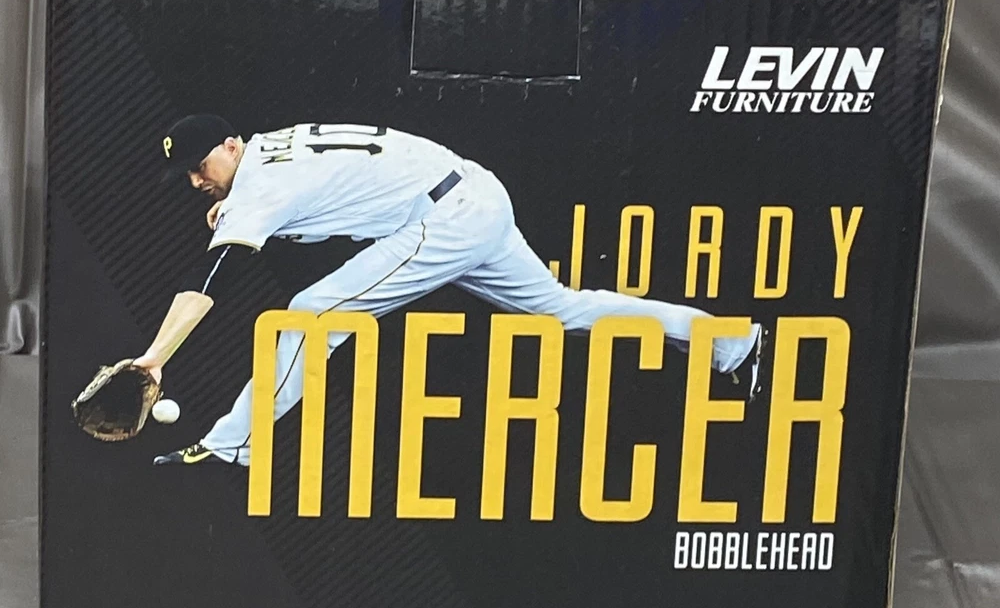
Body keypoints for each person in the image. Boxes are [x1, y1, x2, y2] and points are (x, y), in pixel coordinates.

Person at [137, 115, 764, 466]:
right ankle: (730, 341)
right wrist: (238, 205)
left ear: (231, 145)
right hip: (473, 192)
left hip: (445, 219)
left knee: (310, 314)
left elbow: (207, 283)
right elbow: (323, 195)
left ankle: (236, 446)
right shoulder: (272, 149)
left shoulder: (257, 188)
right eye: (185, 174)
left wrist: (154, 359)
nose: (195, 180)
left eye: (201, 166)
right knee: (562, 308)